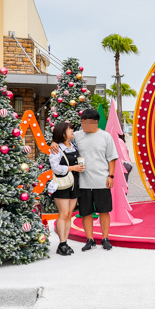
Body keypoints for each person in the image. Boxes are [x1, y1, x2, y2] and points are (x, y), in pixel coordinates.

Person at [53, 109, 119, 251]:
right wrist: (53, 143)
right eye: (82, 122)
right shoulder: (77, 135)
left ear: (95, 122)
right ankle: (90, 239)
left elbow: (112, 158)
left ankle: (105, 238)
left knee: (104, 211)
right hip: (82, 182)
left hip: (102, 180)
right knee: (86, 212)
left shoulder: (106, 136)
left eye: (86, 122)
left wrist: (111, 176)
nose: (83, 125)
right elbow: (61, 137)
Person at [48, 121, 83, 256]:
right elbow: (55, 168)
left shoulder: (73, 145)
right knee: (63, 214)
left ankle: (65, 242)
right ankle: (61, 244)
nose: (72, 131)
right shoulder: (56, 148)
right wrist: (72, 168)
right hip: (62, 185)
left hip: (74, 183)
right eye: (69, 129)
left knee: (69, 214)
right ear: (63, 133)